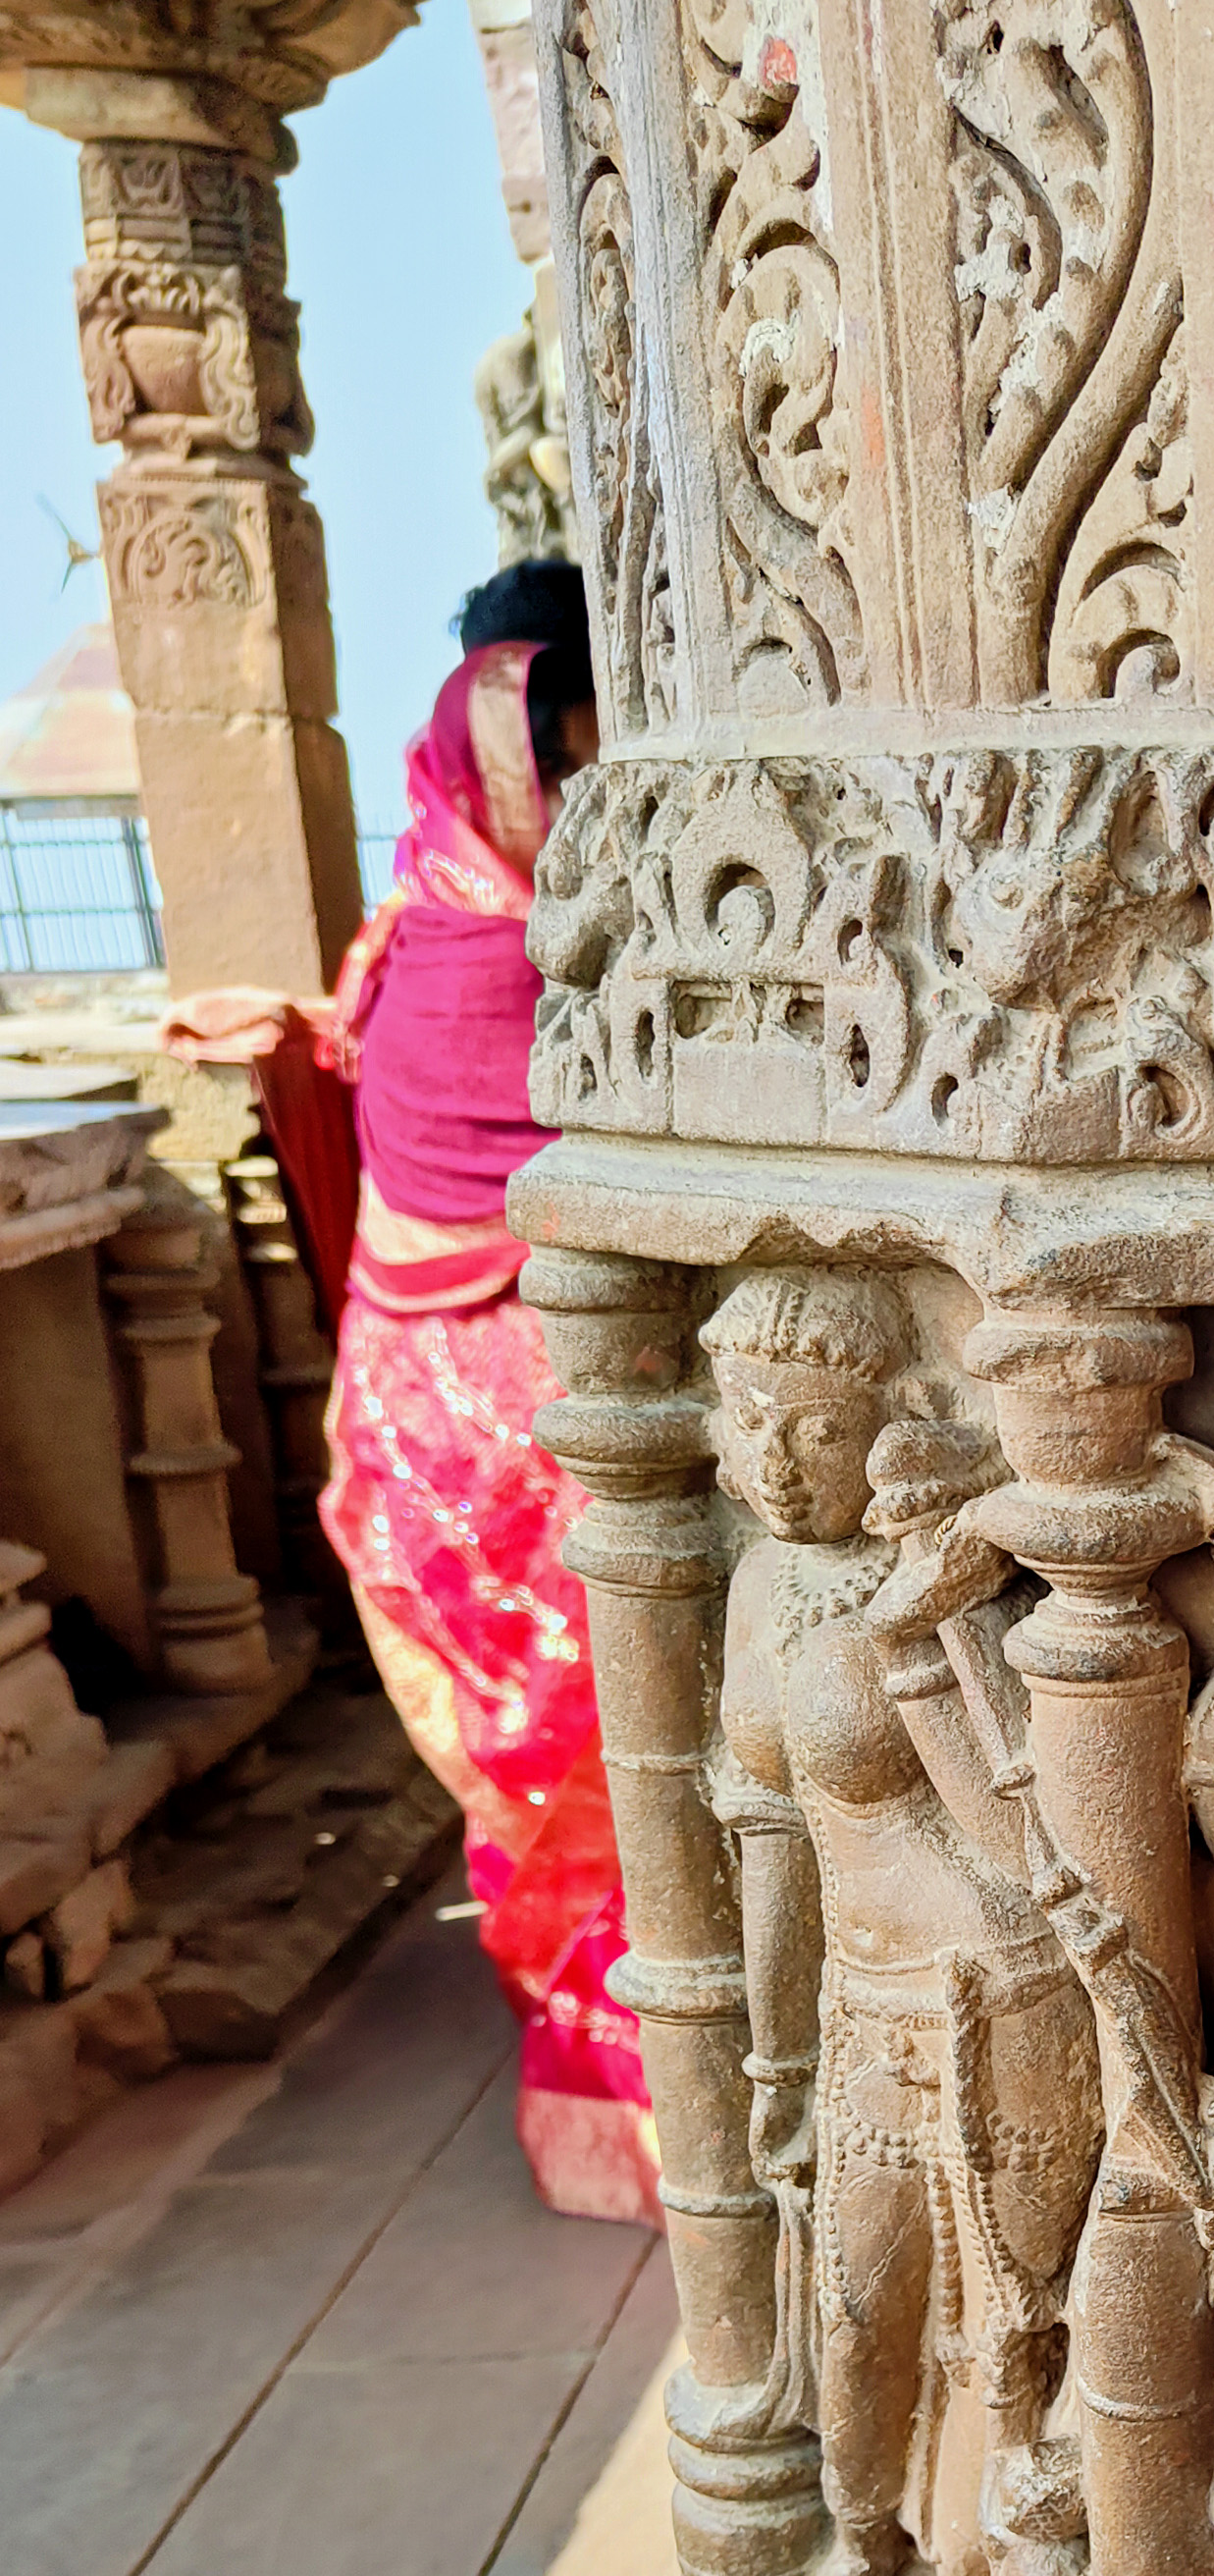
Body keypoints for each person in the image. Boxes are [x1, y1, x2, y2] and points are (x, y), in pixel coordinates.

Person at [316, 562, 660, 2218]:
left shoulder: (418, 924)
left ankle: (616, 2108)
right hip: (511, 1458)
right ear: (505, 766)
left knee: (567, 1796)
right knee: (603, 1770)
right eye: (565, 768)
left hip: (447, 1436)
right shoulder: (502, 967)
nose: (584, 805)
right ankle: (642, 2114)